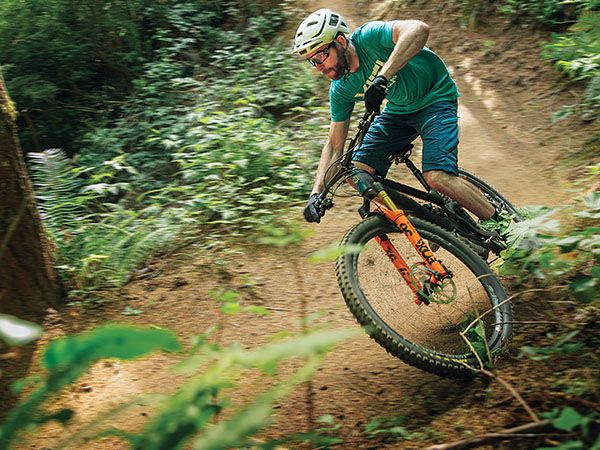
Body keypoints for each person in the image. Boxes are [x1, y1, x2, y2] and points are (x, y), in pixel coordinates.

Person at [292, 9, 503, 225]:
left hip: (435, 97)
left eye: (320, 56)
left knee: (436, 176)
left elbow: (419, 29)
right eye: (312, 61)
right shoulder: (340, 89)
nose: (318, 67)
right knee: (357, 174)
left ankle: (504, 225)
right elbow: (334, 145)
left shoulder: (369, 37)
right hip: (399, 111)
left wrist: (383, 77)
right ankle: (429, 221)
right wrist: (316, 193)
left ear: (340, 41)